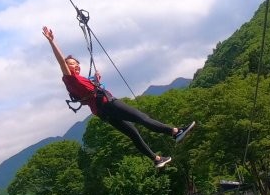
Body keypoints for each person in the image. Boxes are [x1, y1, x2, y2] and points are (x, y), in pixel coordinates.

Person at [43, 25, 194, 168]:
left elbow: (86, 94)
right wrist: (52, 41)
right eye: (70, 63)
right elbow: (61, 61)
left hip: (102, 111)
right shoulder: (69, 78)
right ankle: (174, 132)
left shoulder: (78, 81)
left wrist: (95, 81)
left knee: (133, 133)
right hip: (107, 104)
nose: (72, 65)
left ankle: (156, 159)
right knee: (141, 118)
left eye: (75, 64)